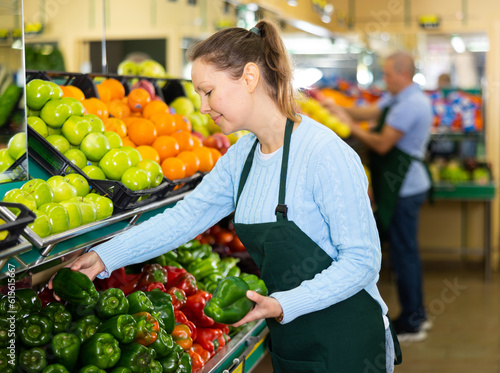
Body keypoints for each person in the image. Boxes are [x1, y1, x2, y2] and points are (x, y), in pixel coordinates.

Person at [50, 20, 400, 372]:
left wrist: (283, 304)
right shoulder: (242, 156)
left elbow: (361, 261)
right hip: (294, 339)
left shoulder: (323, 153)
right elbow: (184, 219)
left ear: (249, 78)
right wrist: (103, 257)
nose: (202, 107)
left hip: (349, 339)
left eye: (208, 91)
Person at [329, 52, 433, 342]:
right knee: (404, 251)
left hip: (405, 187)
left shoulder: (411, 104)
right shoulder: (399, 98)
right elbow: (371, 113)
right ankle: (415, 314)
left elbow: (383, 144)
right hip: (400, 185)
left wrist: (348, 127)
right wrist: (336, 108)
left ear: (402, 74)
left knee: (404, 253)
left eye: (387, 75)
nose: (384, 80)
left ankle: (413, 319)